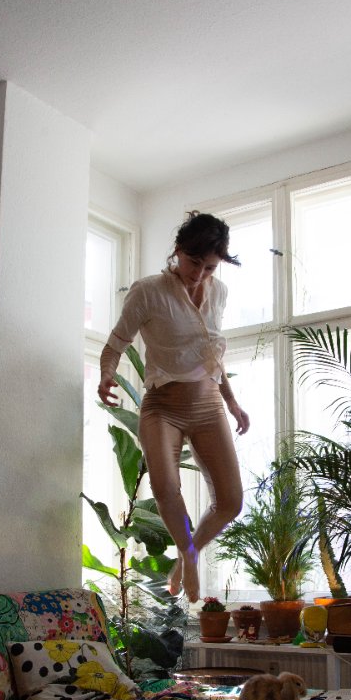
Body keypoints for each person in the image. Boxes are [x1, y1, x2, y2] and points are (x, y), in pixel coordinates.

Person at [97, 211, 249, 603]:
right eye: (193, 262)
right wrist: (106, 374)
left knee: (231, 501)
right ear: (178, 251)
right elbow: (116, 344)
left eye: (209, 267)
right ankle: (189, 553)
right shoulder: (148, 291)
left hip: (209, 404)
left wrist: (233, 403)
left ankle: (188, 552)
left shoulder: (219, 293)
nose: (199, 274)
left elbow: (212, 356)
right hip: (163, 406)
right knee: (165, 486)